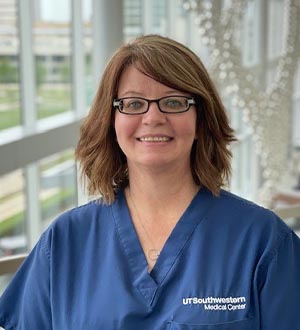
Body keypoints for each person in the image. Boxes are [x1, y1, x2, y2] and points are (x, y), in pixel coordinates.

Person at [0, 34, 300, 330]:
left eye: (173, 102)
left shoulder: (263, 242)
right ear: (111, 121)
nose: (153, 117)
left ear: (200, 121)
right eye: (133, 104)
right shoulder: (64, 242)